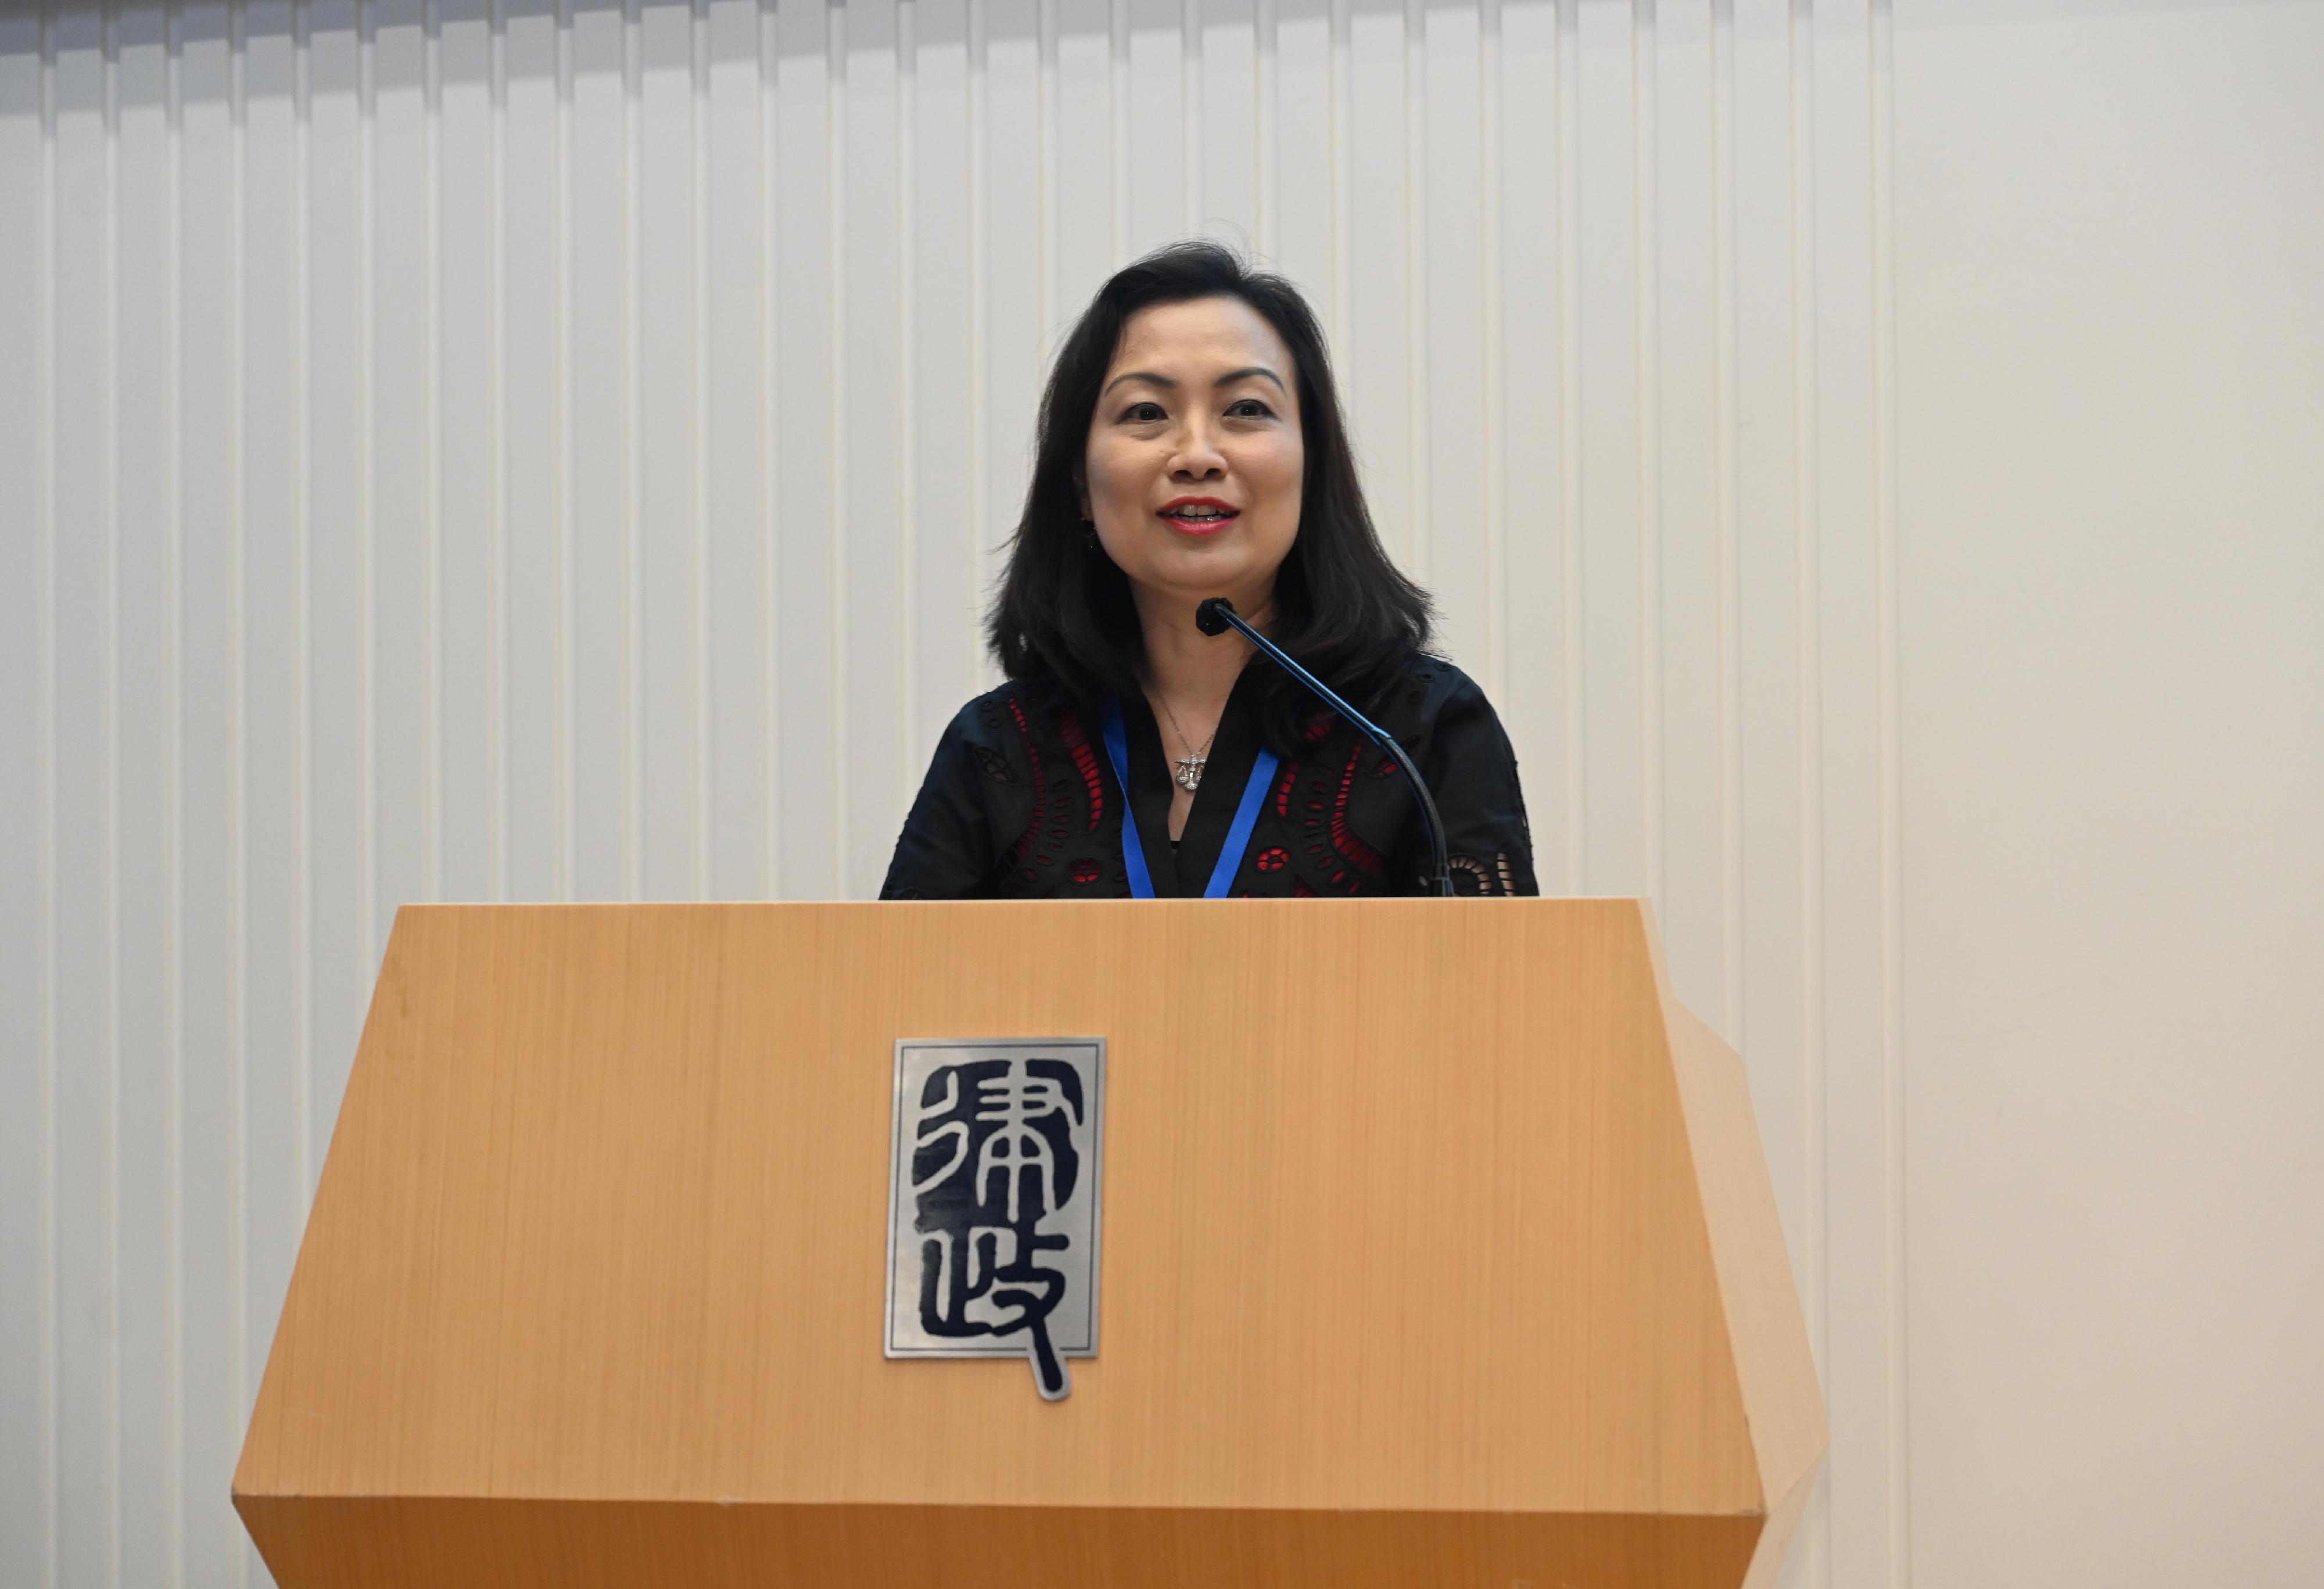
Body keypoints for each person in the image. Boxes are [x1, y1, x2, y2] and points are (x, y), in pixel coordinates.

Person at [880, 239, 1537, 900]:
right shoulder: (998, 748)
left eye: (1246, 409)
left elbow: (1496, 993)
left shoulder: (1420, 734)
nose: (1196, 454)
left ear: (1312, 463)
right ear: (1079, 482)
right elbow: (895, 995)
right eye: (1146, 413)